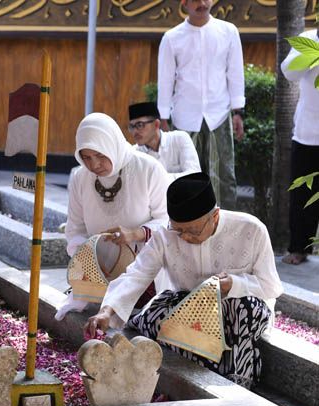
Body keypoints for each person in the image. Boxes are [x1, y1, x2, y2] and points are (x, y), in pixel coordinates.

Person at [85, 173, 283, 387]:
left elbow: (271, 287)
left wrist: (234, 284)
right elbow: (137, 274)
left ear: (215, 216)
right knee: (156, 314)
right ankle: (197, 376)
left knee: (243, 308)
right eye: (179, 230)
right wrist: (107, 311)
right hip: (189, 311)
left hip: (238, 313)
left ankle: (238, 380)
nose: (186, 238)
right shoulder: (165, 235)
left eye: (192, 231)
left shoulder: (251, 229)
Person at [57, 113, 170, 321]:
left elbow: (170, 222)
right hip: (98, 273)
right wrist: (89, 257)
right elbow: (75, 229)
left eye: (100, 155)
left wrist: (136, 234)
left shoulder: (149, 169)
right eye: (87, 157)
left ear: (112, 145)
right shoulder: (80, 177)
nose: (94, 165)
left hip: (146, 272)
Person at [157, 0, 245, 210]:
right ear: (184, 3)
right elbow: (166, 78)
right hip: (184, 117)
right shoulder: (172, 37)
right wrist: (163, 116)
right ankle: (188, 229)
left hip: (219, 116)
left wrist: (238, 111)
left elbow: (235, 73)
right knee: (187, 179)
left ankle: (225, 230)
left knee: (224, 178)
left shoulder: (228, 31)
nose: (202, 3)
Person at [281, 27, 319, 265]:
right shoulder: (307, 38)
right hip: (308, 133)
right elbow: (289, 72)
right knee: (302, 196)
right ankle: (299, 248)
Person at [128, 101, 201, 180]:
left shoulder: (179, 139)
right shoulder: (134, 154)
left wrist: (158, 179)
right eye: (132, 127)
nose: (135, 131)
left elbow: (195, 175)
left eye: (139, 125)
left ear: (156, 124)